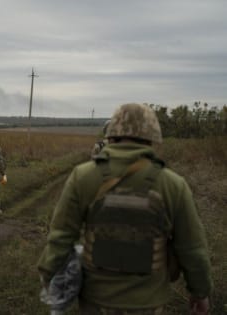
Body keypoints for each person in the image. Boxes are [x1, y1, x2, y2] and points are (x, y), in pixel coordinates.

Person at [37, 103, 213, 315]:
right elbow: (192, 248)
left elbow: (61, 237)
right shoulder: (173, 185)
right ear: (152, 137)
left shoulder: (83, 177)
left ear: (111, 134)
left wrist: (48, 276)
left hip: (95, 302)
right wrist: (200, 292)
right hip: (149, 304)